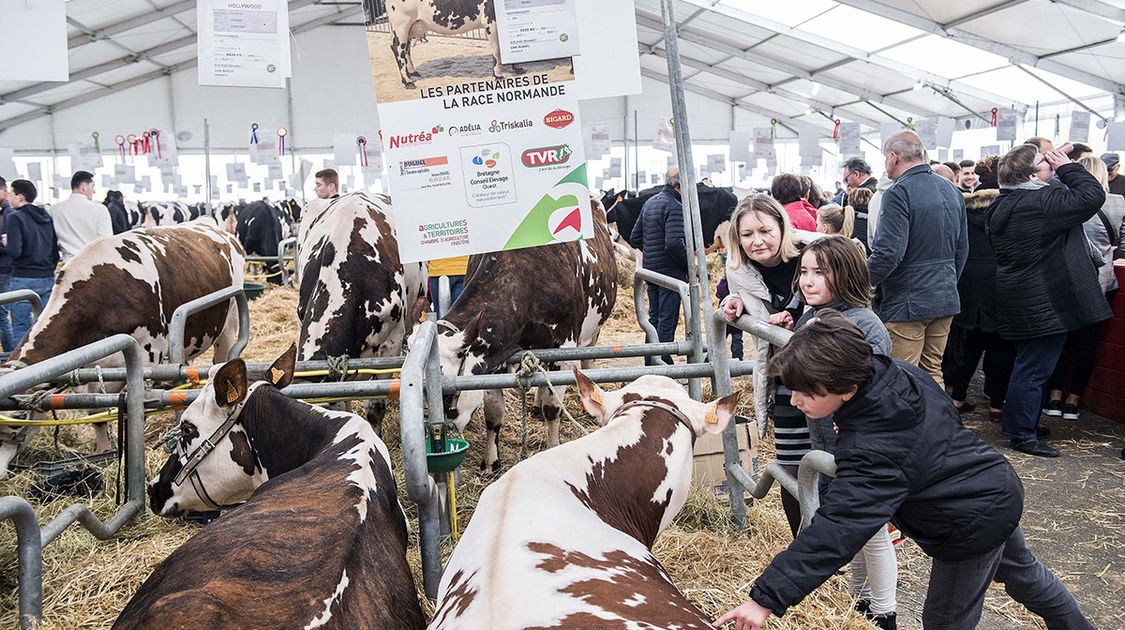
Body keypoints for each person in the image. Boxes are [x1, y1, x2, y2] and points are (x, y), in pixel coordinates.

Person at [714, 313, 1097, 630]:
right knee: (1025, 576)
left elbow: (838, 529)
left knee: (945, 620)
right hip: (991, 487)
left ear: (847, 388)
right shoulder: (891, 370)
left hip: (966, 524)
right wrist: (849, 419)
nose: (795, 401)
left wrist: (762, 601)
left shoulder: (873, 450)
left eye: (806, 392)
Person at [783, 237, 898, 628]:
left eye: (820, 273)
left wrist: (852, 420)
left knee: (870, 529)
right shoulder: (814, 315)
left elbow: (875, 382)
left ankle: (884, 612)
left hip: (858, 442)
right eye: (804, 272)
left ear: (846, 276)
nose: (807, 282)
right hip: (828, 441)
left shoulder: (863, 324)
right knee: (853, 527)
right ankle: (860, 600)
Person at [986, 142, 1110, 457]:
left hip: (1023, 294)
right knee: (1034, 369)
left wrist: (1054, 167)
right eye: (1045, 161)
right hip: (1044, 299)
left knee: (1028, 365)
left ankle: (1020, 425)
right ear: (1031, 174)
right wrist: (1067, 166)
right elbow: (1093, 196)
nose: (1050, 164)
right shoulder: (1040, 202)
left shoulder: (1006, 201)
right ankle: (1023, 435)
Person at [719, 194, 807, 537]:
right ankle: (802, 542)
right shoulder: (737, 268)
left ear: (782, 227)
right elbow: (728, 295)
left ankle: (834, 541)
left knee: (830, 459)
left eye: (765, 231)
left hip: (824, 373)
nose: (757, 241)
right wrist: (732, 301)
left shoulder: (809, 255)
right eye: (747, 234)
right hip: (783, 375)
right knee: (791, 463)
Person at [868, 131, 968, 388]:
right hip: (944, 298)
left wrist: (859, 282)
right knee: (932, 371)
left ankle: (910, 428)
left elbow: (889, 253)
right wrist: (946, 282)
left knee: (902, 376)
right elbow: (962, 249)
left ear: (893, 157)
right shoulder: (952, 190)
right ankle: (938, 427)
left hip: (907, 303)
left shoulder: (898, 193)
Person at [1043, 155, 1123, 421]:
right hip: (1103, 281)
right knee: (1087, 344)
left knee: (1061, 341)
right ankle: (1073, 402)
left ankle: (1054, 397)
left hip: (1066, 280)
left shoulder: (1067, 202)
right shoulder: (1118, 203)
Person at [942, 157, 1014, 422]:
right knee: (1001, 346)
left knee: (967, 343)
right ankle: (997, 405)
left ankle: (958, 398)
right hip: (1000, 281)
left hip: (968, 281)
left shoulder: (964, 208)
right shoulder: (1010, 209)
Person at [629, 167, 688, 366]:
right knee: (666, 320)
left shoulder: (650, 202)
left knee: (653, 319)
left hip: (651, 272)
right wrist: (691, 267)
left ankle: (650, 361)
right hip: (670, 275)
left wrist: (652, 253)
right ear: (682, 185)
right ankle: (663, 364)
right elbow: (673, 244)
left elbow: (634, 237)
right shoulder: (675, 206)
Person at [3, 180, 59, 345]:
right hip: (46, 277)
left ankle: (21, 368)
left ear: (20, 197)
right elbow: (54, 250)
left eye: (11, 194)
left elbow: (15, 251)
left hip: (23, 278)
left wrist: (6, 243)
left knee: (21, 326)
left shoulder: (15, 218)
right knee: (45, 325)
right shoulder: (46, 217)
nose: (8, 198)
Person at [50, 171, 111, 263]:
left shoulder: (54, 210)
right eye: (93, 186)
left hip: (68, 265)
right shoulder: (100, 209)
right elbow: (106, 241)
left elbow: (52, 240)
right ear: (84, 187)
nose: (94, 191)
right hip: (94, 265)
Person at [0, 177, 13, 351]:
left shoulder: (10, 215)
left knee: (2, 313)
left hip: (5, 268)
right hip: (5, 267)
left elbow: (11, 245)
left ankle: (10, 352)